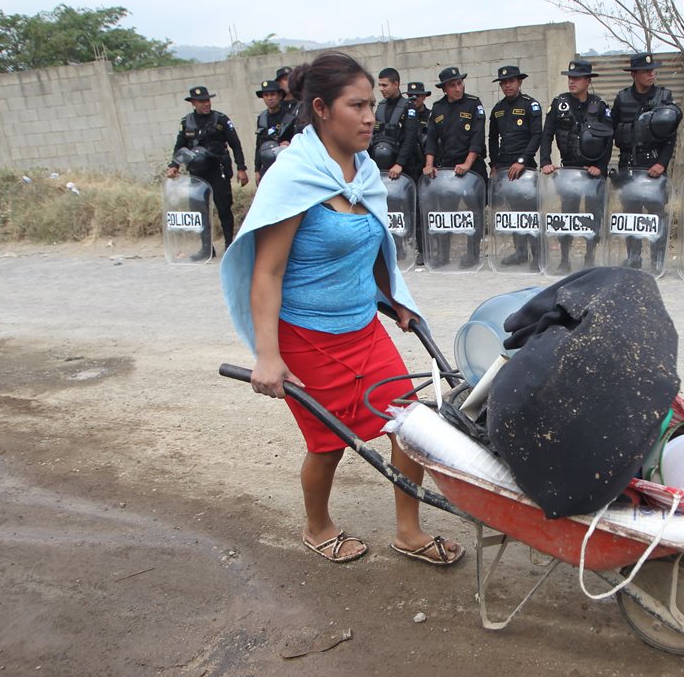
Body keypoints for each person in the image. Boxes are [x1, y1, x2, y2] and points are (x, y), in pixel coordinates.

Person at [219, 52, 464, 567]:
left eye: (372, 104)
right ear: (322, 109)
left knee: (409, 421)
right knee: (329, 441)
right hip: (306, 335)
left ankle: (409, 531)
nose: (371, 116)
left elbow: (370, 242)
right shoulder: (293, 176)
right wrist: (268, 356)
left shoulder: (366, 169)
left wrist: (391, 296)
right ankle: (317, 525)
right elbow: (266, 274)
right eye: (357, 105)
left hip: (361, 325)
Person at [539, 59, 613, 273]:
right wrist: (545, 161)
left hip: (591, 173)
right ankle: (564, 258)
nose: (572, 82)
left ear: (588, 81)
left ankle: (590, 257)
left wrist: (600, 165)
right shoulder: (559, 103)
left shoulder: (599, 106)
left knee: (592, 216)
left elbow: (609, 139)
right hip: (568, 172)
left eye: (577, 78)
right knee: (567, 217)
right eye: (570, 78)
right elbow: (547, 134)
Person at [611, 52, 681, 270]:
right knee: (631, 214)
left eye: (653, 70)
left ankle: (657, 258)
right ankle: (634, 257)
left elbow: (671, 137)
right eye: (646, 71)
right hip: (629, 166)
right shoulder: (622, 98)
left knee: (656, 215)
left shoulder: (664, 97)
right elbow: (611, 130)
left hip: (654, 167)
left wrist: (662, 163)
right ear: (634, 74)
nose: (652, 74)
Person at [166, 85, 248, 251]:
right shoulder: (186, 122)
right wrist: (174, 165)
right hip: (197, 173)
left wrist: (241, 168)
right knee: (198, 209)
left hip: (218, 169)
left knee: (224, 208)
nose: (205, 104)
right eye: (201, 101)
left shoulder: (221, 120)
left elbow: (235, 144)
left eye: (207, 100)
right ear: (193, 103)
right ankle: (206, 248)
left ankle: (228, 245)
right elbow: (180, 146)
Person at [423, 65, 487, 269]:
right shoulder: (438, 108)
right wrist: (429, 165)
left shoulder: (474, 104)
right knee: (446, 212)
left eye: (459, 83)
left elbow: (478, 136)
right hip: (447, 172)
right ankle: (443, 254)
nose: (458, 88)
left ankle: (472, 254)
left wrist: (467, 164)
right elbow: (431, 139)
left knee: (473, 212)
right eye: (452, 85)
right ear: (444, 89)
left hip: (472, 169)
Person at [489, 64, 543, 268]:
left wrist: (522, 161)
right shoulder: (498, 109)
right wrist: (494, 164)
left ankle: (537, 255)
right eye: (503, 83)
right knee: (513, 214)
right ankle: (520, 252)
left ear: (519, 82)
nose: (507, 86)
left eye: (510, 81)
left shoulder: (531, 105)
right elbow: (492, 138)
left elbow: (537, 135)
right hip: (504, 169)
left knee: (529, 213)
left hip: (525, 167)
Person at [369, 68, 421, 262]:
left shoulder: (409, 108)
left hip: (405, 168)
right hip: (383, 168)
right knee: (390, 210)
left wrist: (400, 164)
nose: (381, 89)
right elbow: (374, 136)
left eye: (385, 85)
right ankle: (396, 248)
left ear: (396, 84)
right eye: (380, 85)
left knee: (411, 209)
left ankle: (419, 250)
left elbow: (410, 138)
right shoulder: (380, 107)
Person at [404, 81, 432, 266]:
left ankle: (426, 250)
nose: (415, 100)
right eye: (411, 97)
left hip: (425, 169)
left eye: (418, 96)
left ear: (424, 97)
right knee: (408, 211)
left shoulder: (431, 116)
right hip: (408, 168)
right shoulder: (404, 116)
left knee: (426, 211)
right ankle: (409, 249)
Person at [254, 79, 298, 183]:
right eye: (266, 95)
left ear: (279, 96)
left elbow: (300, 139)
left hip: (287, 164)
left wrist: (290, 144)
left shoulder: (290, 116)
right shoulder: (262, 118)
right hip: (268, 166)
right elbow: (259, 144)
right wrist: (257, 170)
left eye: (273, 94)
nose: (269, 98)